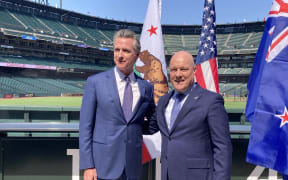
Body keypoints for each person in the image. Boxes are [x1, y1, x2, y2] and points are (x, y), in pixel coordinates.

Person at [79, 29, 158, 180]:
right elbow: (85, 127)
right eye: (117, 49)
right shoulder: (95, 82)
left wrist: (135, 130)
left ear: (137, 56)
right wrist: (88, 166)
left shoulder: (146, 87)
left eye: (126, 51)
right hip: (102, 167)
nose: (120, 55)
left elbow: (153, 123)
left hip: (132, 167)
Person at [156, 51, 232, 180]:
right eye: (174, 70)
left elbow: (222, 148)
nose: (178, 74)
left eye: (184, 69)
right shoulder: (163, 101)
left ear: (194, 70)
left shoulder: (211, 101)